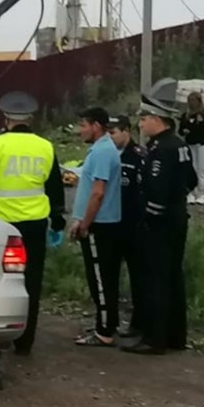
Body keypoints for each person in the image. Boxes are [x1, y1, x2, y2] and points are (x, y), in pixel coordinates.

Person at [0, 91, 67, 356]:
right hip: (34, 224)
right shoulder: (45, 146)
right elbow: (55, 187)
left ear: (6, 118)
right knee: (31, 282)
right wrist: (57, 220)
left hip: (2, 227)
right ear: (30, 119)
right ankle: (25, 342)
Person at [123, 79, 198, 356]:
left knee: (156, 279)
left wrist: (151, 217)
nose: (140, 125)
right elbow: (189, 180)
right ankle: (176, 336)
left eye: (144, 119)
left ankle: (155, 339)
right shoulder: (179, 144)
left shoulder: (159, 149)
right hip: (178, 219)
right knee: (174, 278)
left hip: (160, 224)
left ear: (157, 119)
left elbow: (156, 188)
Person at [70, 107, 123, 347]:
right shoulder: (101, 149)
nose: (80, 130)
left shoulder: (102, 151)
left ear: (97, 126)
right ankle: (107, 322)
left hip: (99, 226)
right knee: (104, 277)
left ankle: (104, 331)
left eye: (84, 125)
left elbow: (98, 193)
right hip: (99, 224)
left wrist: (85, 224)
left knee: (100, 280)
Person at [107, 114, 145, 337]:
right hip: (111, 225)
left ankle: (137, 324)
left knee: (138, 277)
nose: (110, 137)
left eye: (113, 133)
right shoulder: (106, 154)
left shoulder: (139, 156)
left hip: (132, 226)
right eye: (108, 133)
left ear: (126, 131)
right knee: (109, 277)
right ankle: (108, 323)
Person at [179, 91, 204, 205]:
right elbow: (181, 129)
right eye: (189, 101)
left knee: (203, 169)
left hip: (203, 144)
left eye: (193, 101)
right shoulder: (185, 116)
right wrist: (184, 131)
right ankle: (192, 192)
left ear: (199, 102)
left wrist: (201, 123)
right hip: (190, 144)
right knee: (192, 168)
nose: (191, 103)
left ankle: (202, 193)